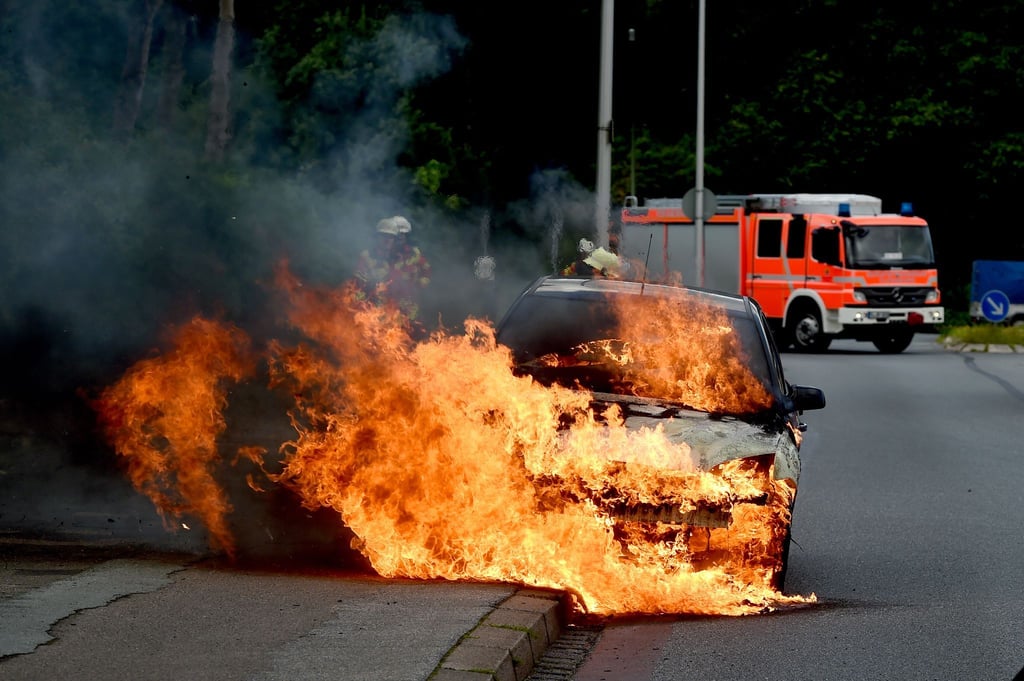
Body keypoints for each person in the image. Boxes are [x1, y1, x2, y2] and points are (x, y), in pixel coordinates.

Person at [354, 215, 431, 323]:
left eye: (391, 237)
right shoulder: (367, 256)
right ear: (377, 237)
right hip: (378, 312)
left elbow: (420, 272)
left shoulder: (401, 257)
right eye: (383, 236)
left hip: (405, 310)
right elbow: (358, 286)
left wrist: (420, 284)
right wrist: (359, 308)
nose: (387, 240)